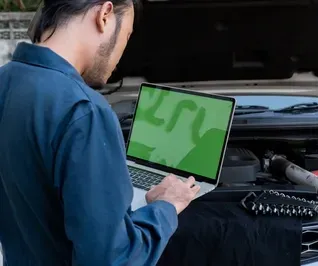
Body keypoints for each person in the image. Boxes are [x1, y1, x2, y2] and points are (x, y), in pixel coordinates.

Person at [0, 0, 200, 265]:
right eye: (126, 35)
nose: (120, 56)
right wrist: (166, 206)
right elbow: (113, 258)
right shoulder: (83, 110)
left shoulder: (6, 79)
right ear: (105, 14)